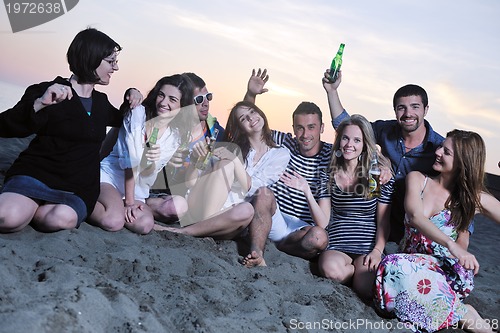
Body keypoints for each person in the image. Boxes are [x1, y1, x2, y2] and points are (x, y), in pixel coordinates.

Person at [0, 28, 141, 233]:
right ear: (91, 58)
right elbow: (7, 125)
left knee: (57, 219)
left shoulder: (101, 102)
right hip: (35, 175)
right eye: (111, 61)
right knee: (7, 217)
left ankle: (34, 210)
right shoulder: (47, 90)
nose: (116, 67)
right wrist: (40, 103)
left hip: (77, 187)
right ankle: (25, 206)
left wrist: (132, 93)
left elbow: (124, 118)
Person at [322, 70, 472, 246]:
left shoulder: (439, 149)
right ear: (395, 111)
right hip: (380, 223)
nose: (408, 113)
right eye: (402, 107)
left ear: (426, 109)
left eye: (415, 107)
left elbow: (461, 190)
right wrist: (332, 91)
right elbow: (350, 129)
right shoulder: (385, 130)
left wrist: (463, 238)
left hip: (418, 228)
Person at [374, 129, 500, 333]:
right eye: (441, 146)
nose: (438, 152)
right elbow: (415, 216)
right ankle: (463, 313)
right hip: (409, 264)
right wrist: (452, 244)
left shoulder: (473, 198)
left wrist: (457, 251)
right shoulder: (417, 179)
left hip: (445, 270)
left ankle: (461, 315)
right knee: (390, 271)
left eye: (446, 152)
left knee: (393, 267)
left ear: (463, 162)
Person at [281, 114, 394, 300]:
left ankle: (359, 272)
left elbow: (383, 222)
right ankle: (354, 271)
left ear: (365, 144)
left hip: (367, 246)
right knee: (331, 271)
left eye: (357, 140)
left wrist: (377, 251)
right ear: (339, 141)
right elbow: (323, 221)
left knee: (365, 289)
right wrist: (307, 191)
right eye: (345, 138)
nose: (350, 144)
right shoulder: (329, 175)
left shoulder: (376, 176)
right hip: (337, 245)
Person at [155, 101, 290, 241]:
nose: (251, 118)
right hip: (201, 208)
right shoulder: (230, 148)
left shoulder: (280, 154)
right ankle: (187, 231)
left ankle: (191, 230)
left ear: (260, 112)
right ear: (240, 128)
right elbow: (191, 183)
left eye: (252, 111)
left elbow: (253, 189)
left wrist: (235, 161)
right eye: (243, 118)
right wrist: (196, 161)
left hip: (227, 218)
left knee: (248, 209)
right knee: (226, 164)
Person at [241, 69, 331, 267]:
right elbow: (250, 125)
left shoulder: (331, 155)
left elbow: (358, 149)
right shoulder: (284, 142)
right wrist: (251, 94)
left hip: (303, 227)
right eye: (299, 127)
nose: (305, 134)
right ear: (293, 128)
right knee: (263, 193)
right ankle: (257, 253)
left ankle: (281, 246)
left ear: (322, 128)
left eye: (311, 127)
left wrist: (384, 166)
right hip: (275, 215)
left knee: (319, 238)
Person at [88, 74, 194, 234]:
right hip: (112, 178)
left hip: (137, 189)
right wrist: (129, 202)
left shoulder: (175, 136)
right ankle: (84, 197)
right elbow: (129, 161)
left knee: (144, 225)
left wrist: (150, 162)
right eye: (161, 95)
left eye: (172, 100)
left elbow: (149, 176)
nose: (164, 103)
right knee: (112, 221)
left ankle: (116, 206)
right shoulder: (138, 114)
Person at [162, 72, 225, 199]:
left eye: (208, 97)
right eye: (199, 100)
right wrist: (165, 160)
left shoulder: (215, 132)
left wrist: (250, 95)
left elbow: (242, 134)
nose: (206, 103)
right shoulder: (170, 130)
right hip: (168, 195)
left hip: (200, 196)